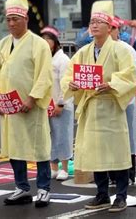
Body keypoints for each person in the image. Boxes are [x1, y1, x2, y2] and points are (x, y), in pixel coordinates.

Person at [61, 0, 136, 213]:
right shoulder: (84, 51)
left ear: (109, 26)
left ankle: (121, 195)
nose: (94, 26)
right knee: (96, 154)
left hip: (111, 105)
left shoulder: (119, 50)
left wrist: (112, 84)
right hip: (91, 107)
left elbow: (130, 75)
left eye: (99, 22)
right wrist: (72, 84)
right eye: (92, 22)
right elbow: (69, 74)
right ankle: (102, 193)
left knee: (117, 153)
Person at [0, 0, 53, 207]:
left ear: (26, 20)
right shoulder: (3, 44)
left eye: (16, 19)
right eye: (8, 19)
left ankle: (43, 189)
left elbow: (44, 75)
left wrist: (32, 99)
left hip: (31, 107)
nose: (11, 23)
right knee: (14, 148)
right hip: (9, 108)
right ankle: (21, 188)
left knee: (39, 148)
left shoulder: (38, 44)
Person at [110, 16, 136, 184]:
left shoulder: (127, 49)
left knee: (127, 137)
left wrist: (118, 86)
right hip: (106, 102)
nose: (110, 31)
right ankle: (111, 175)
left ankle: (129, 174)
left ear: (118, 30)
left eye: (113, 28)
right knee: (108, 138)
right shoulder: (94, 50)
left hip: (125, 101)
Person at [41, 26, 74, 182]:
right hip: (46, 105)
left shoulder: (63, 60)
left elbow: (65, 84)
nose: (45, 42)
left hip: (61, 105)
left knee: (62, 136)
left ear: (55, 42)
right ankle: (53, 167)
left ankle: (65, 168)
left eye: (48, 39)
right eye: (43, 39)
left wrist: (60, 103)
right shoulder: (44, 59)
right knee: (50, 137)